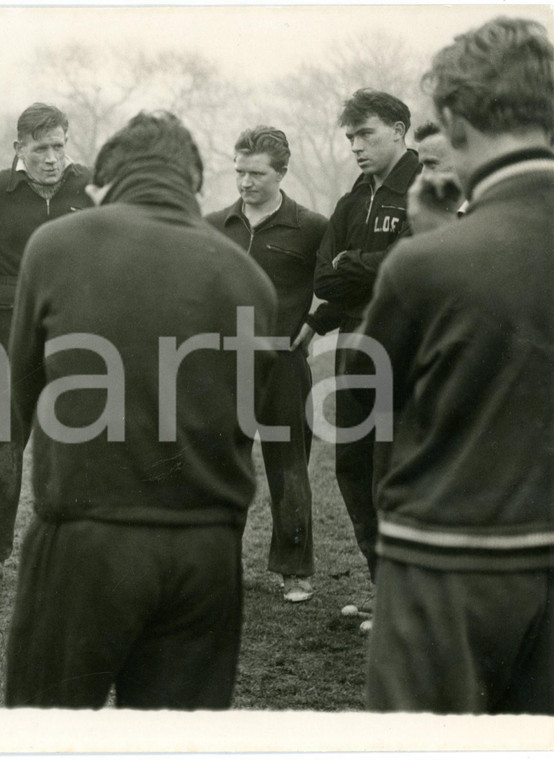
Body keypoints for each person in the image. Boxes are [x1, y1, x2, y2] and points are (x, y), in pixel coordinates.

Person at [5, 112, 277, 708]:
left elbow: (19, 390)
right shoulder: (249, 276)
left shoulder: (57, 245)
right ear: (195, 183)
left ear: (105, 181)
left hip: (88, 538)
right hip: (208, 552)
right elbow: (249, 413)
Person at [357, 16, 554, 714]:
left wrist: (436, 246)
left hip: (446, 562)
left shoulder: (427, 262)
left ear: (462, 119)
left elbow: (365, 397)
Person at [0, 103, 92, 592]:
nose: (51, 158)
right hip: (10, 320)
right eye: (39, 148)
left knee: (79, 437)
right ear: (19, 149)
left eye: (58, 146)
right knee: (3, 438)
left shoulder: (90, 187)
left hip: (79, 326)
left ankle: (75, 551)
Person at [304, 89, 421, 629]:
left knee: (395, 473)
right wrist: (363, 265)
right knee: (352, 468)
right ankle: (387, 593)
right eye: (350, 136)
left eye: (366, 134)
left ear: (399, 130)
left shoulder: (425, 185)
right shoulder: (353, 198)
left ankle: (415, 600)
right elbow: (324, 275)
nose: (355, 145)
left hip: (406, 347)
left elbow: (418, 262)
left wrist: (355, 263)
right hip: (353, 346)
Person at [206, 126, 327, 603]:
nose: (245, 183)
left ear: (281, 172)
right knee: (218, 465)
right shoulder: (215, 224)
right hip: (220, 365)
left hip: (282, 364)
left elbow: (338, 284)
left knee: (289, 466)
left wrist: (317, 322)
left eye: (256, 174)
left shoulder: (312, 226)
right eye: (239, 172)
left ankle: (295, 570)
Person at [409, 121, 467, 234]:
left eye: (431, 164)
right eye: (422, 166)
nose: (423, 175)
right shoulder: (422, 215)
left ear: (461, 161)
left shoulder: (488, 213)